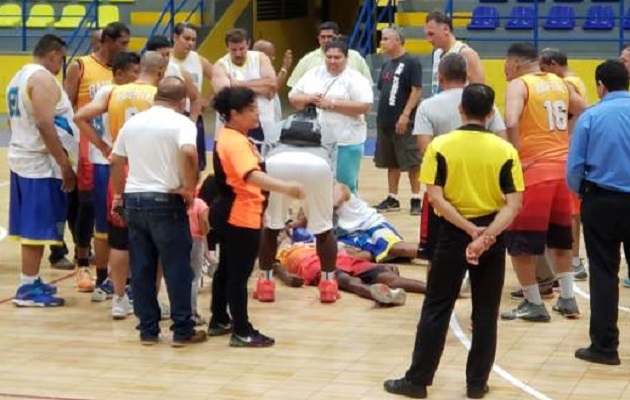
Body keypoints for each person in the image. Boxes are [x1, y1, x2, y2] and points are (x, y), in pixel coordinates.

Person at [384, 84, 524, 399]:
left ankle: (417, 381)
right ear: (491, 114)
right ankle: (476, 384)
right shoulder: (506, 151)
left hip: (451, 233)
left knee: (436, 306)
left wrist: (468, 231)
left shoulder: (440, 146)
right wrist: (485, 236)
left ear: (461, 109)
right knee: (486, 312)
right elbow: (513, 205)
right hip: (493, 235)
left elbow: (435, 198)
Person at [110, 76, 205, 346]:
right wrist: (189, 187)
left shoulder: (134, 122)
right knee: (177, 268)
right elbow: (189, 152)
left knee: (141, 267)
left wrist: (118, 196)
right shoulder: (182, 123)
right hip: (165, 200)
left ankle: (148, 330)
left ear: (156, 96)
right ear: (182, 101)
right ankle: (182, 330)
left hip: (134, 198)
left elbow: (116, 160)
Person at [209, 87, 305, 347]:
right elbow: (250, 175)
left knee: (227, 269)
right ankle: (241, 330)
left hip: (229, 210)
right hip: (240, 213)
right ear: (233, 113)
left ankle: (219, 318)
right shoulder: (236, 141)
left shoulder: (229, 136)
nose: (257, 114)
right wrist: (287, 187)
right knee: (238, 276)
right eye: (251, 110)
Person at [73, 51, 164, 319]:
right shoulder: (159, 94)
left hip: (119, 170)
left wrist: (102, 146)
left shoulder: (112, 92)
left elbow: (80, 116)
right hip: (149, 170)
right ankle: (148, 301)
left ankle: (119, 299)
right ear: (160, 70)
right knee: (154, 238)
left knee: (120, 241)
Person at [500, 42, 585, 323]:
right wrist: (567, 139)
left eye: (505, 64)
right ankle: (568, 299)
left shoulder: (519, 84)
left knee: (520, 243)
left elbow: (511, 121)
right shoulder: (560, 82)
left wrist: (514, 155)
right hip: (563, 171)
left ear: (515, 64)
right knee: (561, 239)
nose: (504, 69)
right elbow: (582, 108)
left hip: (535, 170)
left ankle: (534, 303)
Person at [414, 53, 505, 264]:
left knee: (436, 256)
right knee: (486, 260)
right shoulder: (485, 102)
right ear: (466, 75)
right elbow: (503, 142)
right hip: (483, 188)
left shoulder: (427, 106)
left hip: (444, 189)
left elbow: (425, 150)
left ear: (440, 77)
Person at [7, 34, 78, 307]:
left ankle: (32, 278)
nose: (61, 63)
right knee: (36, 228)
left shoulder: (19, 76)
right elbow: (45, 125)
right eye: (61, 58)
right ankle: (27, 287)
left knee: (33, 225)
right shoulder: (43, 78)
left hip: (24, 157)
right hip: (39, 163)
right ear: (52, 54)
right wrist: (63, 163)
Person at [568, 60, 630, 366]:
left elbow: (575, 166)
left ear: (600, 85)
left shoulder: (591, 116)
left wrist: (580, 191)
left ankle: (605, 348)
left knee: (604, 273)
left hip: (601, 201)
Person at [64, 21, 130, 293]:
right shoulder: (80, 65)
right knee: (87, 206)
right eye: (123, 43)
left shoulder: (125, 71)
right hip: (88, 145)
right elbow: (67, 107)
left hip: (116, 150)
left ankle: (111, 272)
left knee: (113, 211)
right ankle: (82, 262)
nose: (126, 47)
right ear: (107, 41)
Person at [72, 51, 141, 302]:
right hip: (108, 164)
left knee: (120, 225)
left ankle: (116, 280)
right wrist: (102, 146)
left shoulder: (125, 93)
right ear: (120, 73)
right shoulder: (110, 92)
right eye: (135, 71)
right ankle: (105, 280)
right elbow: (79, 117)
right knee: (106, 227)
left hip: (120, 163)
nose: (138, 76)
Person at [289, 39, 373, 194]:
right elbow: (293, 98)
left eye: (337, 57)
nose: (332, 61)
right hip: (316, 139)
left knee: (345, 184)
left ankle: (349, 217)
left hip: (346, 140)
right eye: (329, 57)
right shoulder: (313, 73)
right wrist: (310, 99)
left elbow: (365, 107)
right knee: (315, 181)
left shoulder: (356, 78)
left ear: (346, 58)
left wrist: (331, 103)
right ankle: (315, 215)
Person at [539, 47, 589, 282]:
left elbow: (577, 113)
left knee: (570, 213)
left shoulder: (568, 84)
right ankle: (574, 259)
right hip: (571, 150)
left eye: (544, 68)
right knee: (572, 212)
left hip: (568, 151)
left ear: (553, 65)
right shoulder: (574, 80)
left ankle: (574, 260)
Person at [274, 239, 426, 306]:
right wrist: (288, 278)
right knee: (347, 281)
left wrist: (375, 264)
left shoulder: (316, 235)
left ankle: (433, 288)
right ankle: (379, 295)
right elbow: (276, 267)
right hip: (312, 264)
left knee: (386, 276)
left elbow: (350, 252)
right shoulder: (280, 251)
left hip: (340, 256)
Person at [374, 27, 423, 215]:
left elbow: (416, 90)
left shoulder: (411, 61)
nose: (382, 42)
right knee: (391, 161)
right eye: (382, 39)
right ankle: (392, 198)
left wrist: (405, 114)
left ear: (398, 41)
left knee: (412, 161)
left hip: (404, 121)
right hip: (385, 121)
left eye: (386, 39)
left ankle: (415, 198)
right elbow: (383, 90)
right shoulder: (387, 65)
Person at [212, 28, 276, 150]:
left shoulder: (260, 58)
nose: (238, 54)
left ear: (248, 44)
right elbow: (225, 95)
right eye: (233, 50)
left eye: (242, 49)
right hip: (232, 127)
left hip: (262, 122)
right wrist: (259, 87)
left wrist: (237, 84)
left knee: (261, 164)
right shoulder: (220, 65)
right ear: (227, 48)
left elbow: (272, 85)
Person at [333, 183, 422, 262]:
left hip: (370, 224)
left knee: (398, 248)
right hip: (345, 237)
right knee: (340, 256)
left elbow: (336, 202)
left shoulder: (338, 188)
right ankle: (376, 253)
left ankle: (431, 254)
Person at [170, 23, 211, 171]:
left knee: (196, 163)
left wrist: (208, 99)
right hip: (172, 116)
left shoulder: (199, 60)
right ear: (175, 37)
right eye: (186, 38)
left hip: (193, 116)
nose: (190, 43)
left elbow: (219, 78)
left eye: (194, 40)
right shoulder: (165, 59)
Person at [287, 21, 372, 87]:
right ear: (318, 38)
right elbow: (294, 86)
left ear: (337, 37)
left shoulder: (355, 57)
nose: (326, 40)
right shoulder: (307, 60)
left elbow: (368, 84)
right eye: (323, 37)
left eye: (330, 36)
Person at [145, 34, 203, 125]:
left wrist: (192, 122)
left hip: (175, 123)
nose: (165, 58)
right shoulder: (141, 74)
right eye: (161, 55)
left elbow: (195, 98)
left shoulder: (179, 71)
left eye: (167, 54)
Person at [425, 11, 484, 96]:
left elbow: (481, 91)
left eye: (431, 34)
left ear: (446, 29)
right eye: (427, 35)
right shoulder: (437, 53)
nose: (428, 40)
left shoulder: (466, 53)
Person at [252, 39, 293, 123]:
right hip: (261, 119)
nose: (273, 58)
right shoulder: (253, 70)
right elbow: (273, 88)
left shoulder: (266, 67)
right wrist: (285, 67)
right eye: (271, 55)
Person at [188, 195, 210, 326]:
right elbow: (204, 224)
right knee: (194, 278)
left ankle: (178, 311)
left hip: (176, 240)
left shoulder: (175, 201)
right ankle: (192, 313)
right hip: (195, 240)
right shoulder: (200, 204)